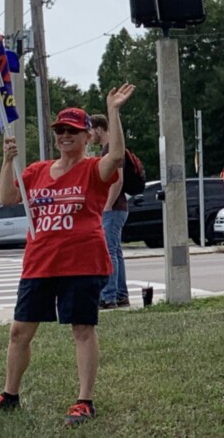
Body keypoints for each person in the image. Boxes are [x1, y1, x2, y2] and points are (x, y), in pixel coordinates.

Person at [0, 84, 135, 427]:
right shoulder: (36, 171)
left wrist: (114, 112)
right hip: (40, 262)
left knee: (82, 328)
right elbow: (8, 197)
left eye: (72, 131)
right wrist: (7, 161)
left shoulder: (93, 169)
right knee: (20, 331)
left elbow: (117, 158)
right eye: (60, 131)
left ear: (85, 136)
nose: (65, 136)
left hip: (83, 261)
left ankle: (84, 401)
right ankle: (10, 395)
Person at [91, 114, 130, 309]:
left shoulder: (111, 150)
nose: (90, 135)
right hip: (117, 208)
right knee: (115, 251)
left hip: (114, 208)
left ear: (99, 129)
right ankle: (121, 295)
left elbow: (118, 179)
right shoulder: (105, 151)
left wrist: (106, 205)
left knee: (108, 252)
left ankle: (109, 297)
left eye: (91, 131)